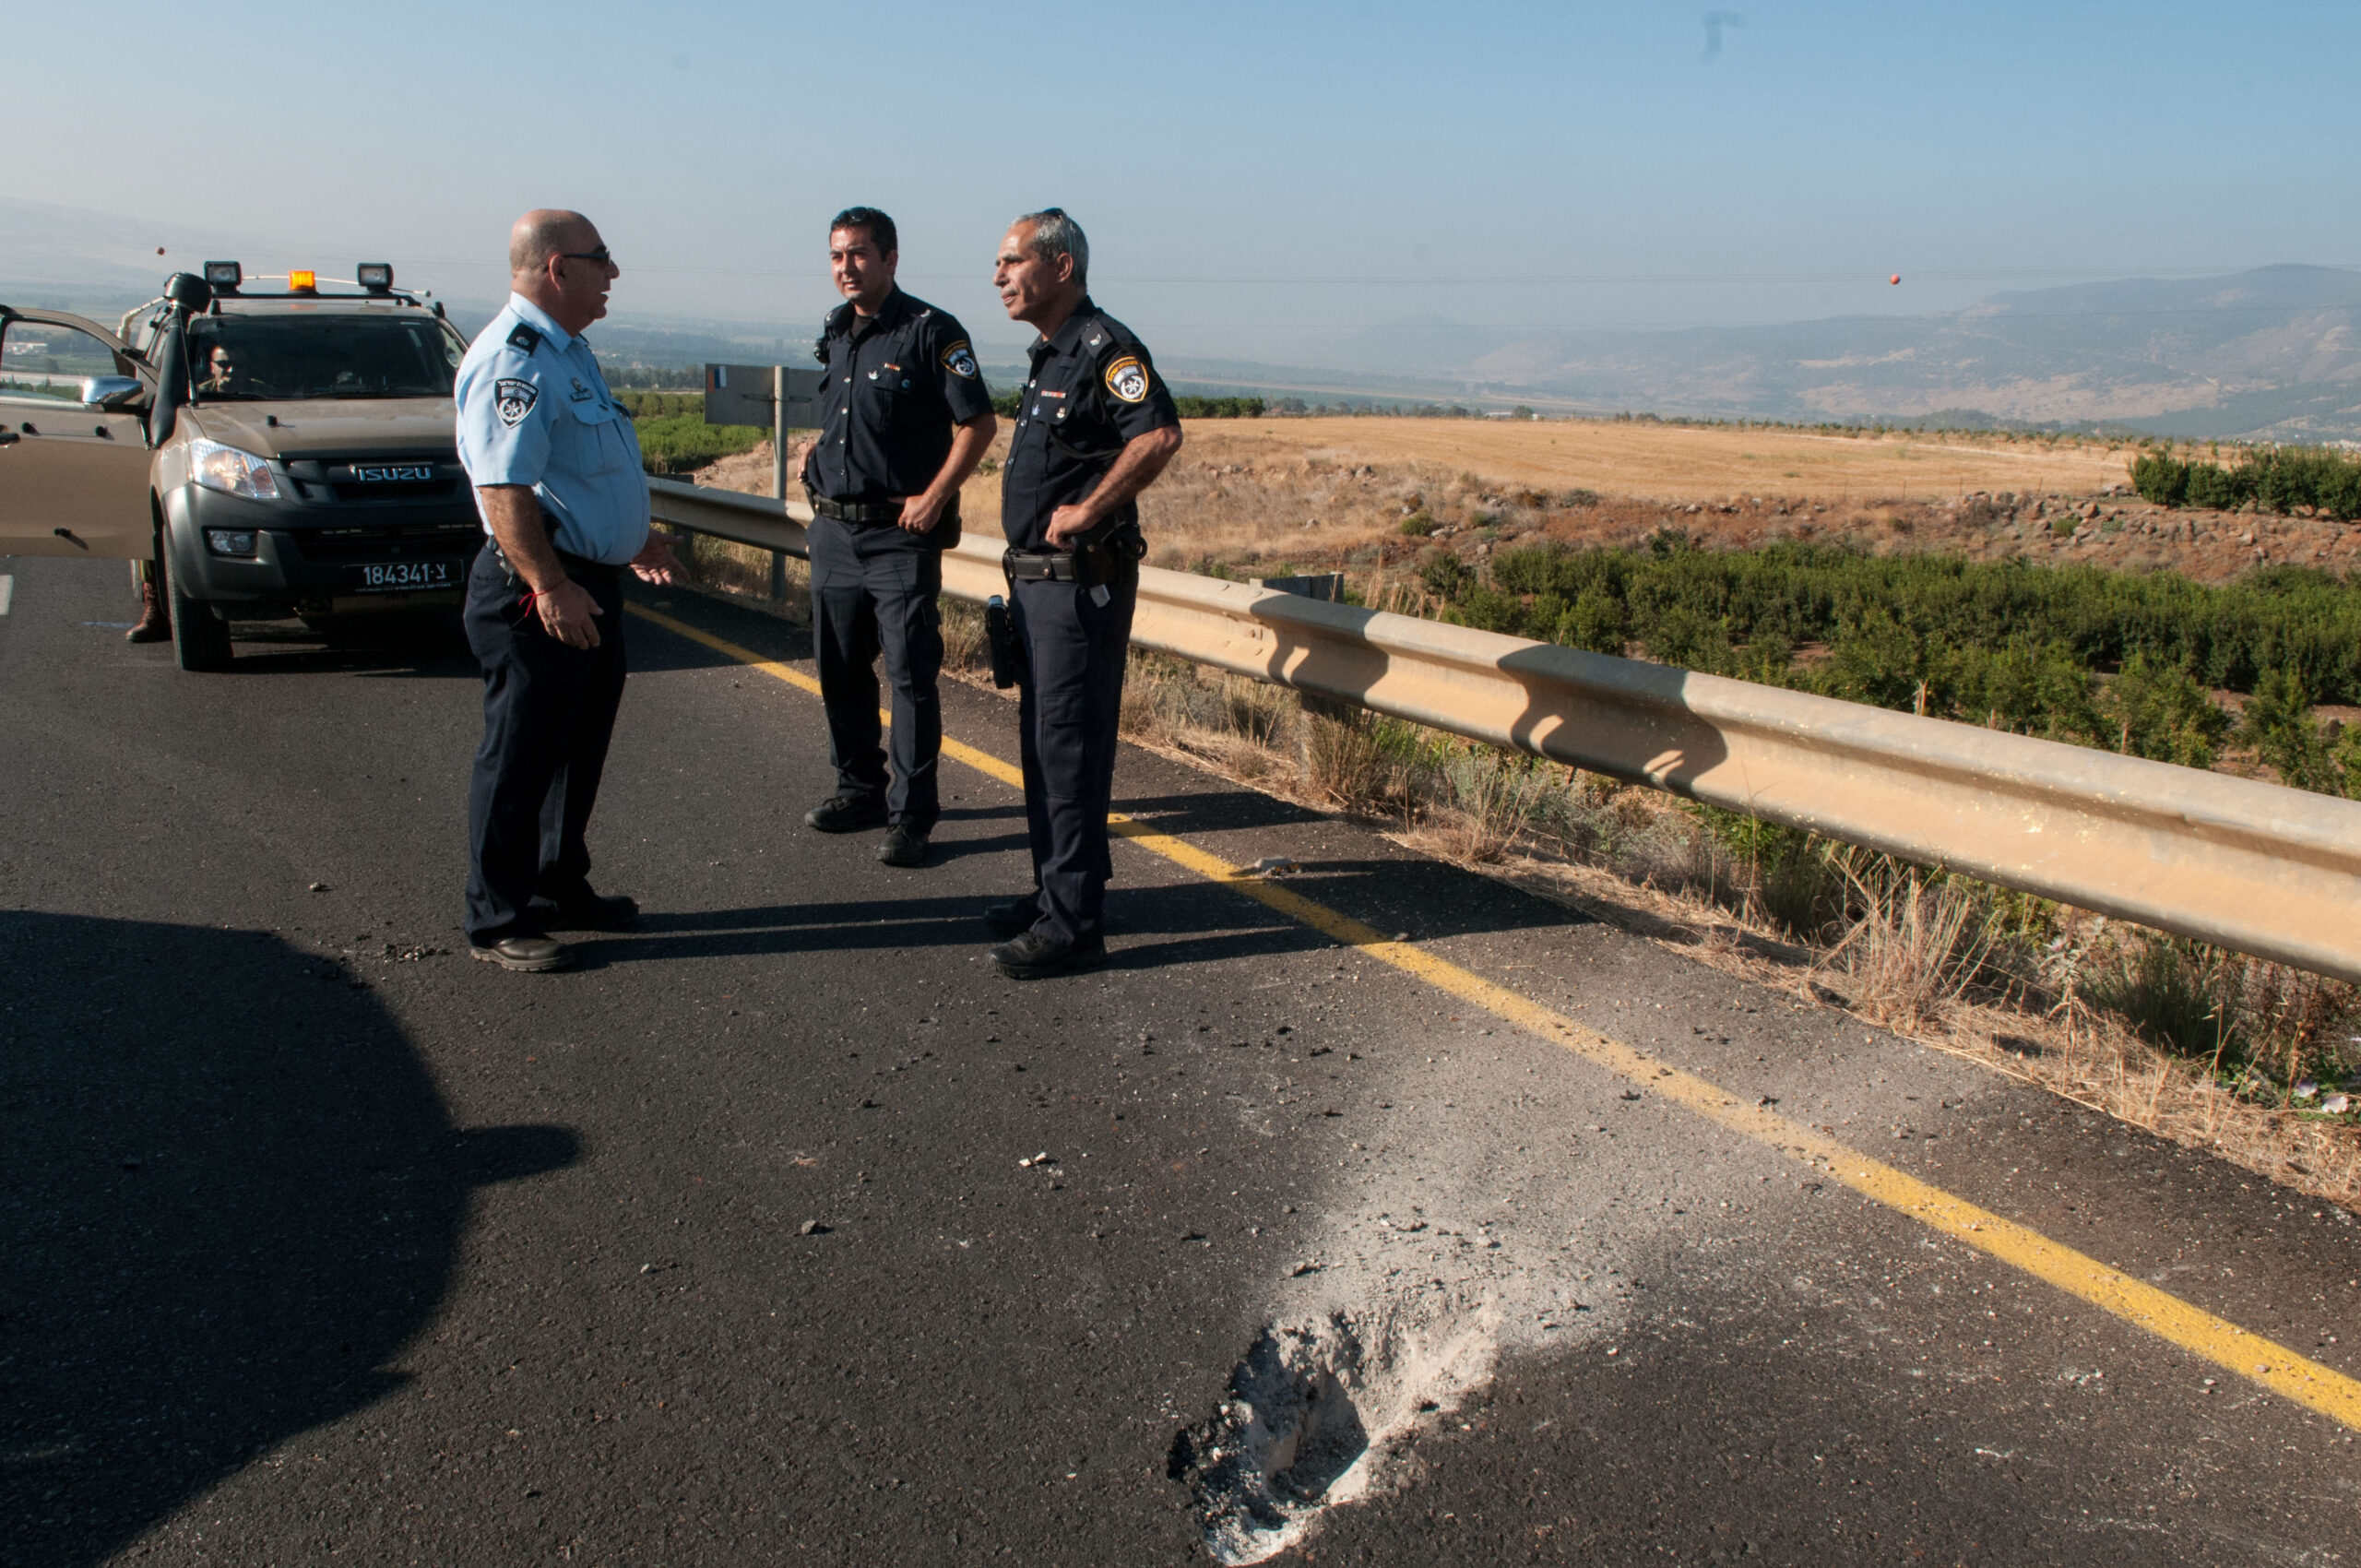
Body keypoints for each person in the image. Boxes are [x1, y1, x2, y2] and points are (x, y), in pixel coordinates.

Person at [452, 208, 678, 972]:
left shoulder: (569, 353)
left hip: (591, 581)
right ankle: (500, 915)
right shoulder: (515, 360)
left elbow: (573, 475)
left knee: (576, 748)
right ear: (559, 268)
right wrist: (549, 582)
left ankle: (557, 885)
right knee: (520, 754)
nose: (612, 272)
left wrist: (627, 536)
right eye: (601, 258)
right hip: (539, 590)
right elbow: (503, 487)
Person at [984, 208, 1183, 980]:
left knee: (1067, 749)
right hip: (1037, 588)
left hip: (1076, 589)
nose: (999, 276)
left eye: (1011, 261)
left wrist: (1090, 510)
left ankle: (1071, 925)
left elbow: (1158, 433)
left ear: (1061, 267)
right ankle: (1058, 892)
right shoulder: (1049, 355)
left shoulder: (1105, 348)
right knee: (1046, 745)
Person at [798, 206, 997, 866]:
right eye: (836, 256)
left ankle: (911, 816)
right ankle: (859, 787)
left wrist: (935, 496)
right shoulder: (837, 331)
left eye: (858, 254)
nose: (845, 267)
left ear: (890, 258)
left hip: (898, 536)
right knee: (838, 669)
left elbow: (977, 424)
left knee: (911, 676)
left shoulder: (930, 331)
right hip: (833, 532)